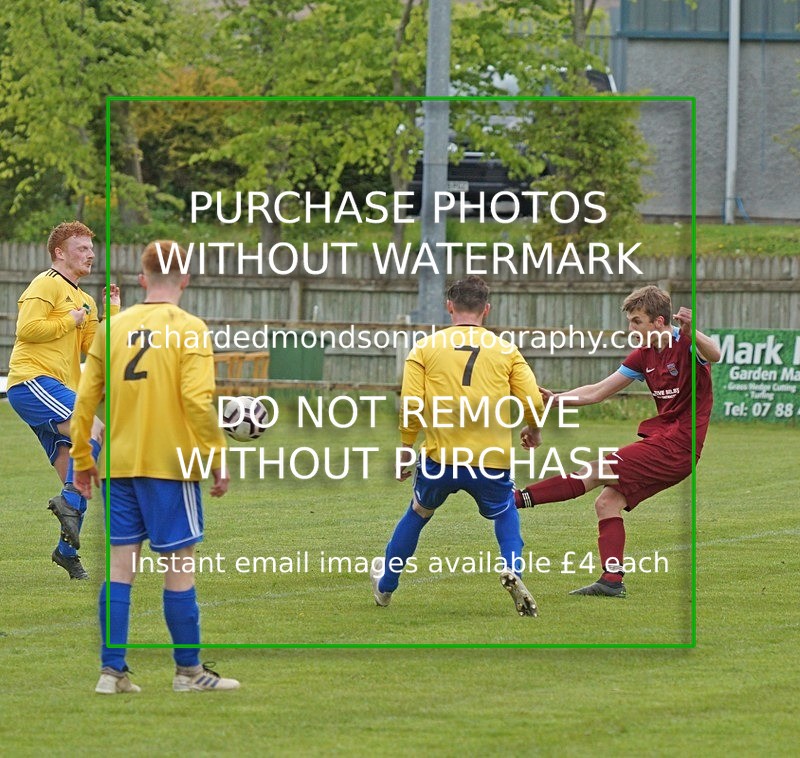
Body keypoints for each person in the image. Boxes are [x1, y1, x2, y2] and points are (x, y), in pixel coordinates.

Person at [70, 240, 238, 694]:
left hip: (119, 466)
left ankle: (111, 673)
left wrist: (83, 460)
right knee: (179, 566)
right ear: (186, 279)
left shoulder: (111, 328)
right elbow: (197, 401)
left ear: (143, 279)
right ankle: (188, 673)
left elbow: (85, 401)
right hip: (170, 466)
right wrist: (217, 455)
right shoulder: (190, 328)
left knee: (119, 567)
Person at [514, 285, 721, 597]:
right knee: (607, 502)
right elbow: (598, 391)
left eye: (637, 321)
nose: (631, 329)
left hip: (678, 445)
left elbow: (715, 354)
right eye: (630, 322)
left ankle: (515, 500)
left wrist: (694, 332)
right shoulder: (643, 355)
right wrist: (555, 400)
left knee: (596, 470)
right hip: (664, 443)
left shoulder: (687, 342)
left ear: (659, 322)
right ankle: (611, 580)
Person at [371, 276, 545, 617]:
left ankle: (386, 585)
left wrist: (406, 446)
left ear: (449, 306)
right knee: (504, 511)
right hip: (491, 458)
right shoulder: (506, 350)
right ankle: (513, 569)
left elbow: (411, 402)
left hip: (441, 457)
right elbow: (533, 400)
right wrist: (534, 429)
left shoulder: (425, 348)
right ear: (486, 309)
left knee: (419, 512)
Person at [6, 221, 120, 579]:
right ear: (60, 252)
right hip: (33, 381)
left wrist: (111, 313)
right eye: (82, 248)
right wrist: (69, 321)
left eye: (91, 248)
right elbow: (26, 329)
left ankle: (66, 553)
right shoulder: (46, 283)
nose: (91, 254)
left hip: (56, 388)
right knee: (95, 430)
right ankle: (67, 504)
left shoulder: (86, 300)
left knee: (78, 477)